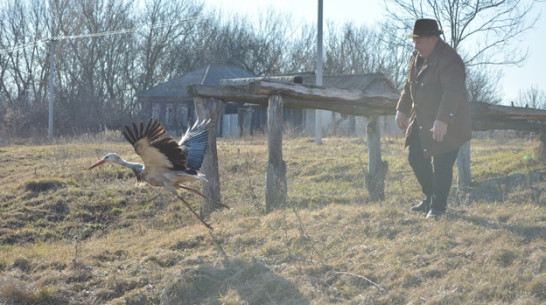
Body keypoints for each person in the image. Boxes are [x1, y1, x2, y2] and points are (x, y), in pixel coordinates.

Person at [395, 18, 471, 219]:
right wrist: (401, 110)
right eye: (414, 41)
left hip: (449, 122)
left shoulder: (450, 59)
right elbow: (408, 86)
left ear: (433, 39)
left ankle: (438, 207)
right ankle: (429, 197)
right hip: (422, 121)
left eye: (419, 41)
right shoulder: (416, 57)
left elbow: (453, 91)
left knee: (442, 163)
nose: (416, 45)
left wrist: (443, 120)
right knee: (415, 157)